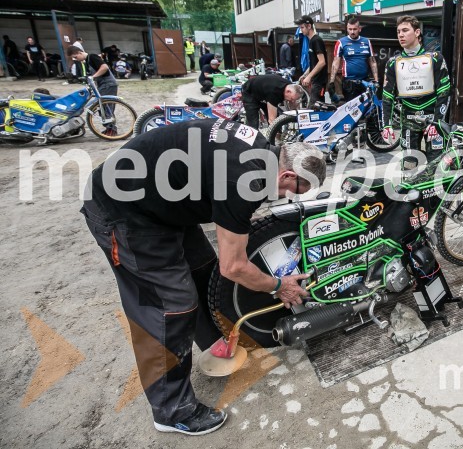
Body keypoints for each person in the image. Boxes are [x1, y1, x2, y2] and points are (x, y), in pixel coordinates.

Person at [80, 120, 326, 435]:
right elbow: (234, 267)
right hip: (122, 209)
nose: (284, 198)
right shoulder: (244, 180)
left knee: (202, 270)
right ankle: (171, 411)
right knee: (170, 304)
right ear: (287, 174)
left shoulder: (263, 152)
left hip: (161, 202)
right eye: (291, 191)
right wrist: (279, 286)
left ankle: (217, 347)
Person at [380, 15, 451, 166]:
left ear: (417, 32)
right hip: (408, 120)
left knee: (437, 166)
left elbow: (444, 92)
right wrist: (386, 125)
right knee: (408, 166)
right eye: (398, 31)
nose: (401, 35)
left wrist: (438, 122)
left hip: (433, 118)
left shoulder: (435, 58)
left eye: (405, 30)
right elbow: (387, 96)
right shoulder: (393, 63)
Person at [67, 45, 120, 135]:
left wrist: (93, 77)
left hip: (108, 84)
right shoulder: (87, 62)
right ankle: (109, 128)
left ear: (80, 52)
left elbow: (104, 67)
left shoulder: (92, 57)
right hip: (102, 85)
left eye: (75, 57)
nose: (75, 59)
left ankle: (112, 130)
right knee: (101, 108)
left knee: (105, 107)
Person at [330, 17, 379, 102]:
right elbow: (335, 63)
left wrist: (376, 80)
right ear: (347, 29)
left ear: (359, 29)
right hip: (349, 83)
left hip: (365, 81)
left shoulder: (367, 42)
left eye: (355, 29)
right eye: (350, 29)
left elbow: (372, 62)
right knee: (351, 110)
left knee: (367, 108)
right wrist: (331, 82)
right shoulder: (341, 42)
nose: (352, 32)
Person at [296, 16, 328, 105]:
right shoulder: (311, 41)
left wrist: (309, 77)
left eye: (302, 27)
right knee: (317, 109)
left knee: (314, 109)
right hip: (315, 82)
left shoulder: (316, 40)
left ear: (309, 26)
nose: (301, 30)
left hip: (319, 82)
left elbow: (322, 62)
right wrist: (305, 75)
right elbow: (314, 63)